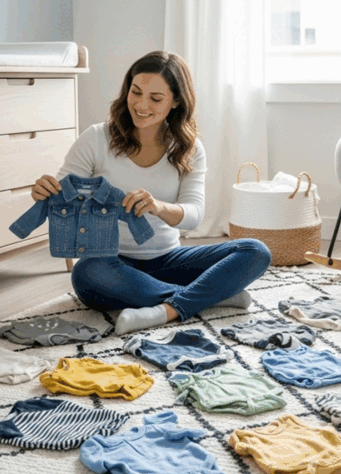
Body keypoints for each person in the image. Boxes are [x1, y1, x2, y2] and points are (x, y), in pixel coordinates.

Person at [31, 51, 271, 335]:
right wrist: (46, 194)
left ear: (176, 101)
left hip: (168, 260)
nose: (141, 105)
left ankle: (166, 309)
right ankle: (214, 296)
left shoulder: (189, 149)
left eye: (156, 99)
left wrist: (158, 207)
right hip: (111, 262)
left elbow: (193, 215)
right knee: (86, 273)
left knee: (256, 251)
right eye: (136, 92)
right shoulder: (96, 138)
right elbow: (64, 194)